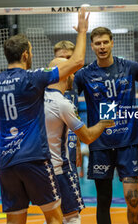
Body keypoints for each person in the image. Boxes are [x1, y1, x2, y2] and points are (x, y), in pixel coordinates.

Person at [0, 8, 89, 224]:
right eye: (31, 52)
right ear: (25, 54)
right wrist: (81, 32)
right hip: (34, 159)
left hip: (7, 161)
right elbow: (77, 62)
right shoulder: (32, 78)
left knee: (15, 220)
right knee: (54, 217)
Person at [74, 26, 138, 224]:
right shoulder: (84, 75)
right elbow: (68, 101)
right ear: (92, 46)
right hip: (100, 144)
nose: (102, 46)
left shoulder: (130, 67)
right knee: (103, 200)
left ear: (112, 43)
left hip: (127, 142)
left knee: (132, 199)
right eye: (98, 43)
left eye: (105, 42)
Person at [44, 57, 114, 224]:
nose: (74, 77)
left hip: (40, 170)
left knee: (52, 216)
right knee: (72, 217)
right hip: (59, 168)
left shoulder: (36, 98)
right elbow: (88, 137)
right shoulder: (63, 104)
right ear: (65, 73)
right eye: (72, 72)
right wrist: (105, 122)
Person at [53, 40, 87, 178]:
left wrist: (78, 144)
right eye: (60, 58)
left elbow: (73, 116)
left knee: (72, 188)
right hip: (53, 148)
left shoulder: (76, 82)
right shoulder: (46, 81)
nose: (65, 62)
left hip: (71, 144)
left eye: (68, 58)